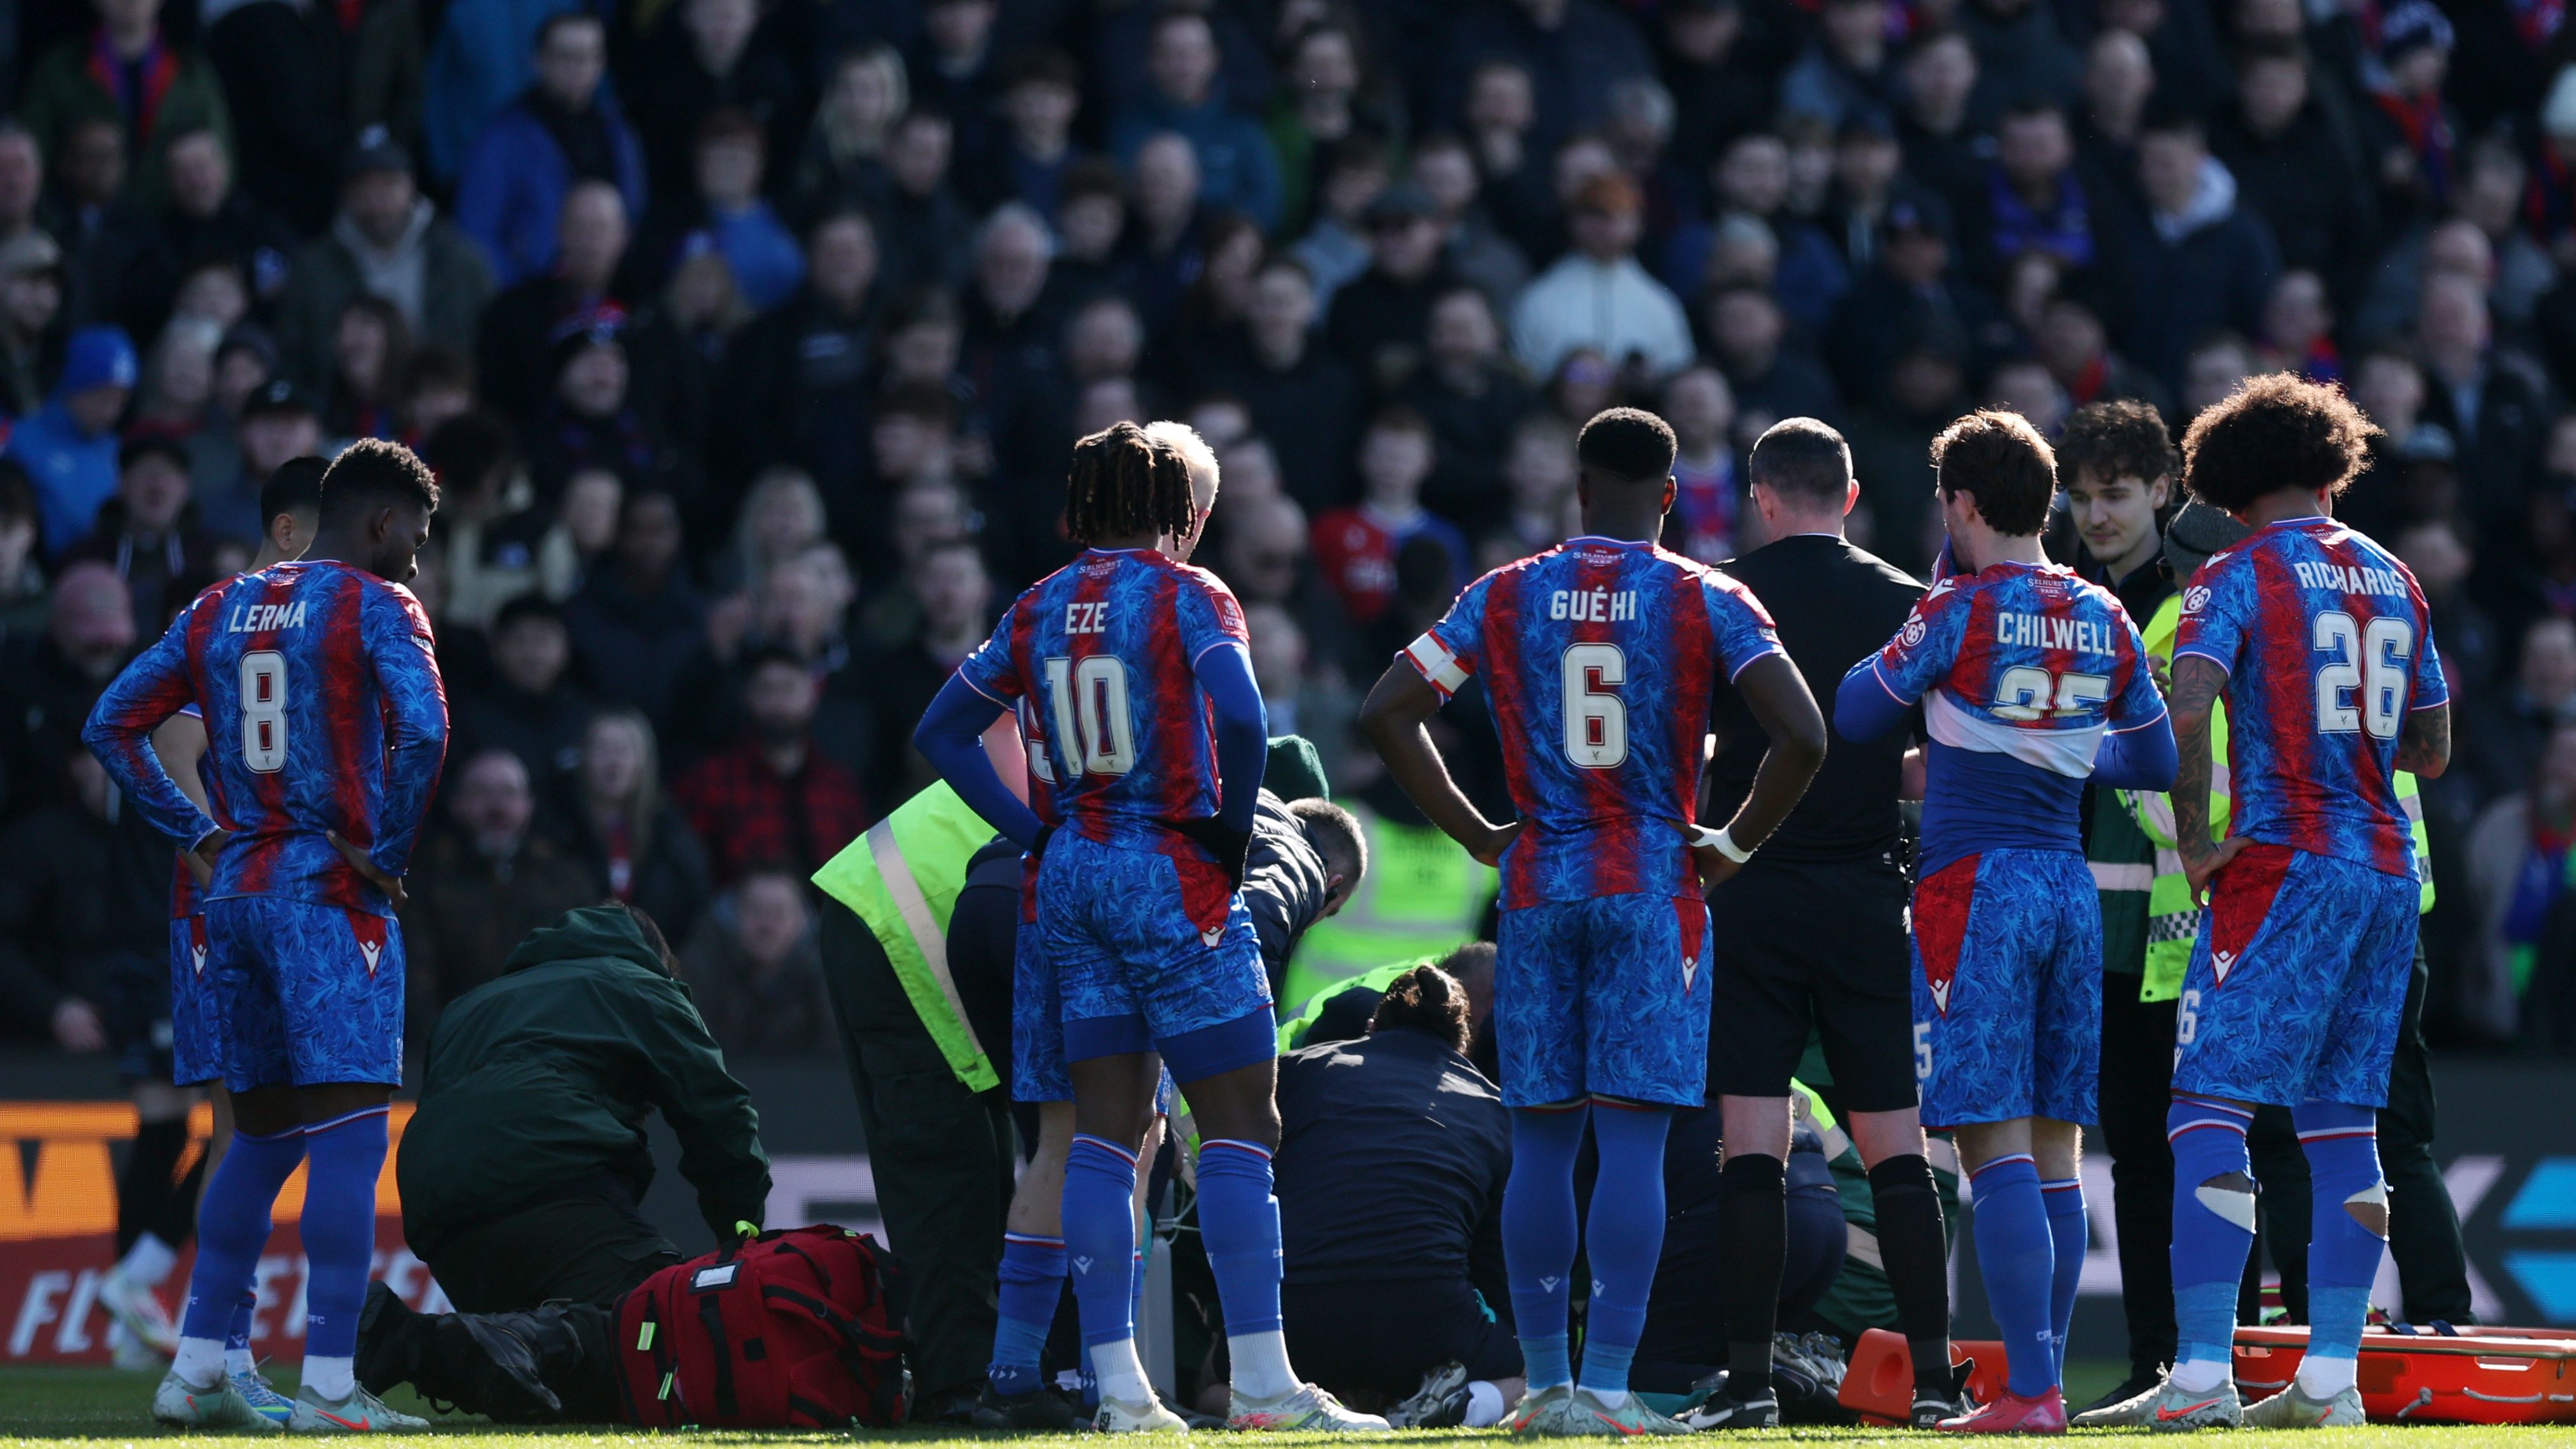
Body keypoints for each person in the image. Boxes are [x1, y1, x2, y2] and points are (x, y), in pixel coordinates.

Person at [1358, 407, 1827, 1434]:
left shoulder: (1505, 591)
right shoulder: (1706, 594)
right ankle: (1609, 1389)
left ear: (1578, 491)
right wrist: (1731, 846)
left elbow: (1387, 710)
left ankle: (1543, 1387)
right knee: (1632, 1150)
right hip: (1654, 887)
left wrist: (1477, 832)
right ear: (1670, 496)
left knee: (1540, 1145)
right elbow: (1802, 733)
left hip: (1538, 885)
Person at [912, 421, 1383, 1433]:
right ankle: (1265, 1386)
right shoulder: (1188, 594)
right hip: (1170, 871)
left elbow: (941, 732)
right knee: (1244, 1126)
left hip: (1071, 875)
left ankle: (1120, 1390)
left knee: (1102, 1137)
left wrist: (1035, 831)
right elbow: (1245, 718)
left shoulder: (1039, 603)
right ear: (1176, 509)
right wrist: (1229, 830)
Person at [2077, 374, 2451, 1429]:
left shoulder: (2231, 574)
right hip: (2386, 872)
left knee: (2205, 1106)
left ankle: (2202, 1373)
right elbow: (2432, 747)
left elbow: (2186, 712)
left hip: (2283, 864)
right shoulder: (2396, 575)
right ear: (2330, 466)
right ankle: (2331, 1380)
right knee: (2343, 1122)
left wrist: (2199, 845)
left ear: (2225, 482)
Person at [82, 437, 449, 1433]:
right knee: (348, 1143)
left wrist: (198, 833)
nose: (418, 562)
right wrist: (388, 853)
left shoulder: (217, 606)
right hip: (329, 895)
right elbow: (424, 730)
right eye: (417, 538)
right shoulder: (377, 604)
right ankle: (329, 1384)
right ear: (382, 521)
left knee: (257, 1138)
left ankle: (198, 1365)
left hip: (232, 895)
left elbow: (110, 725)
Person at [1833, 409, 2175, 1432]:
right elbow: (2157, 759)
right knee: (2059, 1148)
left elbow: (1856, 712)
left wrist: (1945, 597)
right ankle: (2046, 1384)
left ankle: (2029, 1394)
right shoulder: (2101, 610)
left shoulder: (1957, 608)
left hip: (1974, 887)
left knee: (1994, 1148)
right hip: (2069, 886)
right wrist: (2060, 748)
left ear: (1963, 503)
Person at [1690, 418, 1955, 1430]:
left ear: (1760, 498)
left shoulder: (1720, 597)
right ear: (1849, 498)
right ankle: (1934, 1383)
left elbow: (1687, 746)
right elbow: (1936, 763)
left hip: (1749, 892)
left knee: (1752, 1146)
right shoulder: (1907, 602)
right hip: (1865, 897)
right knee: (1895, 1145)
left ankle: (1749, 1383)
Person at [100, 457, 322, 1415]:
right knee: (250, 1127)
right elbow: (168, 743)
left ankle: (214, 1355)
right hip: (231, 906)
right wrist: (213, 858)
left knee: (262, 1127)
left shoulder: (299, 625)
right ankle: (217, 1354)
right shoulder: (234, 620)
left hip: (270, 899)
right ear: (289, 530)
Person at [397, 902, 766, 1310]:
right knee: (659, 1316)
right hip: (545, 1175)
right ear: (659, 961)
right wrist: (740, 1234)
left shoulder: (468, 1007)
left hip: (437, 1213)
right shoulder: (640, 984)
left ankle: (409, 1338)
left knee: (518, 1343)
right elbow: (720, 1112)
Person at [1273, 962, 1520, 1428]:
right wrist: (1505, 1341)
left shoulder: (1297, 1072)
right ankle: (1461, 1406)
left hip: (1298, 1310)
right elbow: (1495, 1261)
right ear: (1462, 1043)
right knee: (1533, 1377)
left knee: (1221, 1385)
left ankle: (1328, 1409)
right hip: (1429, 1313)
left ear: (1373, 1025)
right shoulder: (1494, 1109)